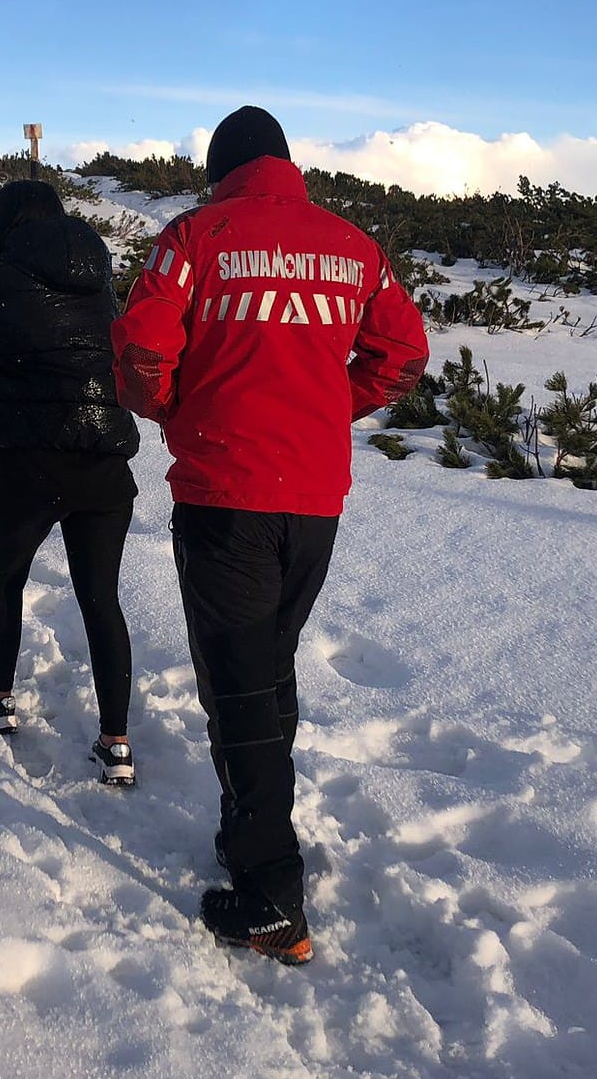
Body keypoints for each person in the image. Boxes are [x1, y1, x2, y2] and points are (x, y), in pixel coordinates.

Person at [111, 106, 429, 964]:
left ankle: (269, 898)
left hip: (227, 495)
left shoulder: (194, 237)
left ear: (221, 170)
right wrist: (327, 410)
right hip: (316, 501)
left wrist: (176, 407)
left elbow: (140, 347)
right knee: (268, 664)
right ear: (287, 165)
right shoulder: (353, 246)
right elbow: (403, 353)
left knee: (239, 683)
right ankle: (255, 828)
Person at [0, 180, 142, 785]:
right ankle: (117, 745)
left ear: (5, 223)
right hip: (104, 459)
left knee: (9, 578)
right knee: (102, 600)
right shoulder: (99, 272)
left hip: (29, 460)